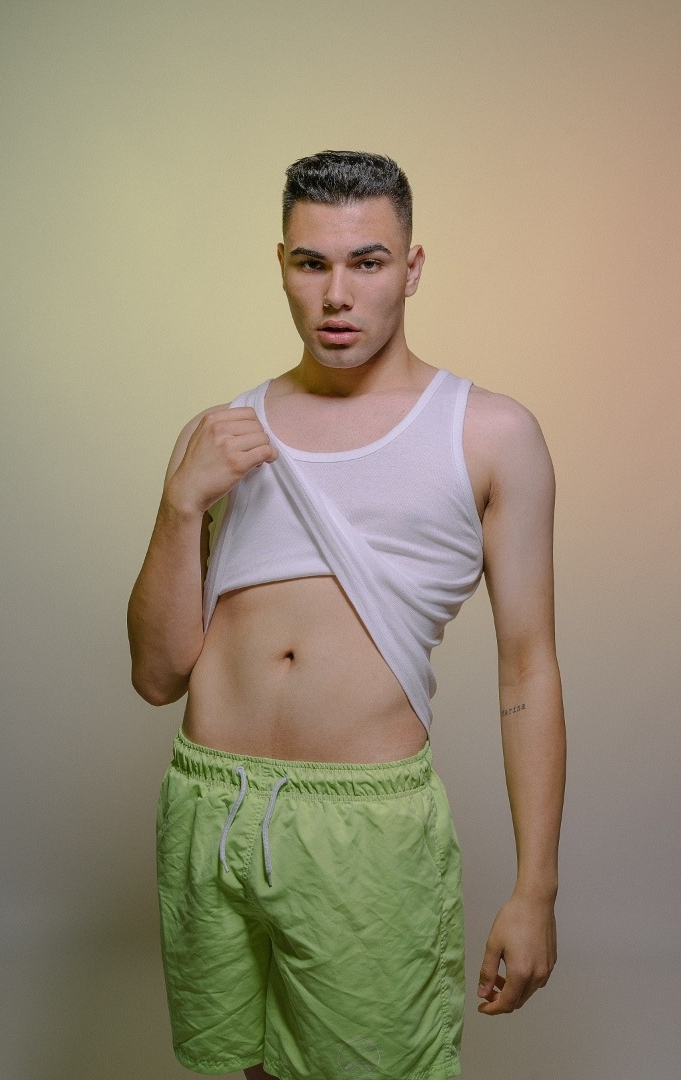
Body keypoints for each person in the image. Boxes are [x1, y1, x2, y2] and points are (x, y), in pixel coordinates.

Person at [127, 150, 566, 1080]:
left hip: (363, 827)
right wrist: (179, 503)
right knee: (229, 1069)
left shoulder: (488, 433)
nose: (337, 295)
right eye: (311, 263)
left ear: (411, 268)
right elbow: (157, 677)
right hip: (206, 805)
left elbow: (528, 668)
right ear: (281, 264)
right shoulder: (219, 433)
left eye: (367, 263)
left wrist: (536, 889)